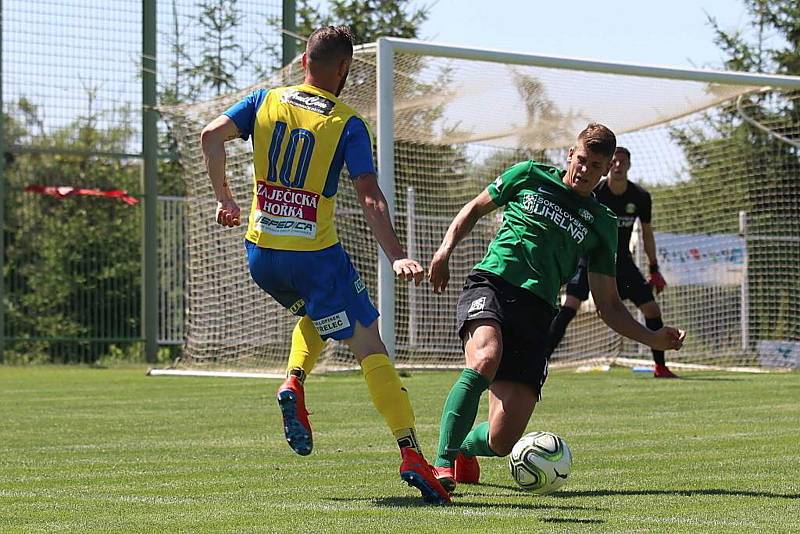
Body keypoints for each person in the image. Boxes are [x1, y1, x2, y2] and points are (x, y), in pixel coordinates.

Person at [200, 26, 449, 504]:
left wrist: (226, 199)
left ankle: (294, 381)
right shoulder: (346, 122)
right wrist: (397, 255)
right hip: (314, 257)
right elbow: (369, 193)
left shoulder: (263, 100)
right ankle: (411, 453)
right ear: (343, 70)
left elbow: (210, 136)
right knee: (369, 341)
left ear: (302, 62)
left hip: (261, 256)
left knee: (318, 313)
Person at [427, 124, 685, 494]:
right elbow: (474, 209)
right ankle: (440, 463)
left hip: (537, 313)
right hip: (492, 285)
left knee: (502, 440)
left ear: (607, 167)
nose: (585, 170)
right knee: (485, 358)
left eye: (595, 166)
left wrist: (652, 337)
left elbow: (609, 305)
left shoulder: (602, 224)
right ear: (570, 153)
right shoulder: (528, 174)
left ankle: (465, 446)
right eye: (581, 160)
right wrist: (445, 250)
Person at [545, 147, 678, 378]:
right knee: (569, 307)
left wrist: (654, 267)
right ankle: (541, 360)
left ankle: (660, 366)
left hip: (622, 262)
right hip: (587, 259)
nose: (618, 165)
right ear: (608, 165)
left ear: (629, 165)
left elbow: (646, 234)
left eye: (622, 162)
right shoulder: (595, 191)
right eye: (614, 161)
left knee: (652, 309)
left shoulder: (640, 197)